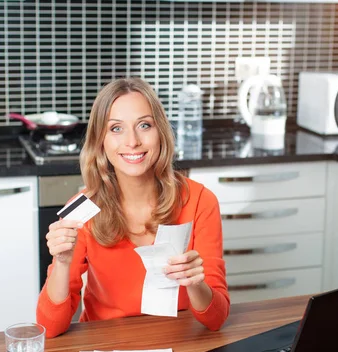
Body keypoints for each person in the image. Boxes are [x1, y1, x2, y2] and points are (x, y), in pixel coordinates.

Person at [36, 78, 230, 338]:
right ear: (100, 141)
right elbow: (49, 327)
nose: (132, 141)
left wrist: (195, 282)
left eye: (144, 125)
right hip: (106, 348)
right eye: (116, 128)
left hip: (181, 344)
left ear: (160, 131)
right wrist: (61, 262)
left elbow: (216, 319)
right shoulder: (82, 210)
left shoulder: (199, 201)